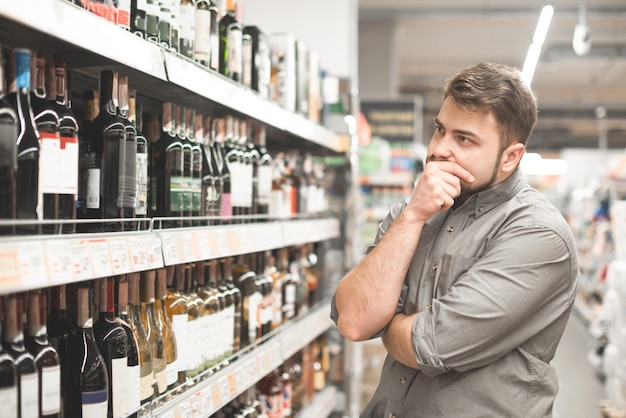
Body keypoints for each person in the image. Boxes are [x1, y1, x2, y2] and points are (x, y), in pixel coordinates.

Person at [331, 62, 580, 417]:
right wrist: (414, 215)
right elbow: (354, 319)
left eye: (463, 139)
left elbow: (431, 345)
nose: (439, 149)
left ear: (510, 157)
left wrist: (387, 324)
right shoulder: (414, 212)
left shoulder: (539, 234)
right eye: (439, 130)